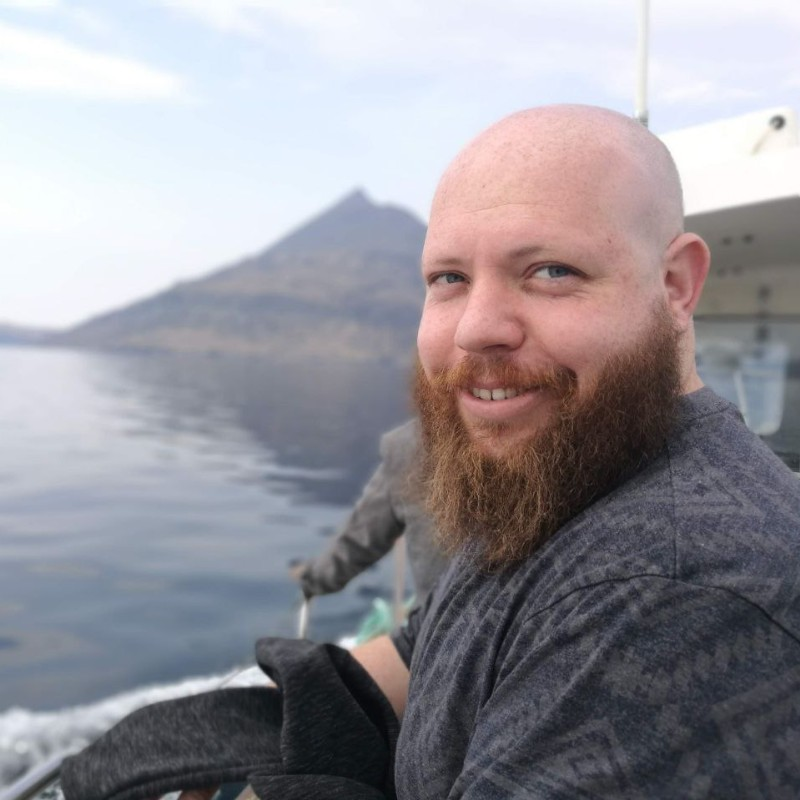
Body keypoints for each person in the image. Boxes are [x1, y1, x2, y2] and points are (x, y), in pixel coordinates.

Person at [62, 105, 800, 799]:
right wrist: (270, 718)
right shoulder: (569, 469)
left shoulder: (676, 591)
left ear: (674, 285)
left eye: (551, 271)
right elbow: (433, 650)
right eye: (449, 278)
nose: (476, 328)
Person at [291, 419, 448, 607]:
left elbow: (362, 535)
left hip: (438, 618)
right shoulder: (409, 448)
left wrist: (314, 578)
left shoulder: (410, 448)